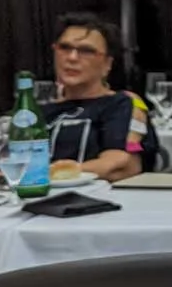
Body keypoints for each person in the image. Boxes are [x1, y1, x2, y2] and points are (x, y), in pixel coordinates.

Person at [44, 12, 159, 181]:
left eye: (87, 51)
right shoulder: (38, 110)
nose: (72, 57)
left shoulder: (124, 104)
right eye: (65, 48)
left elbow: (121, 165)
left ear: (107, 64)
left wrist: (43, 175)